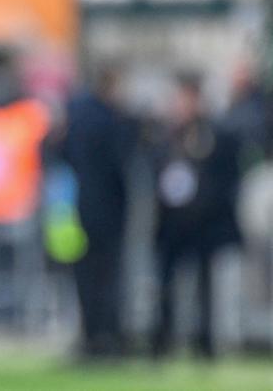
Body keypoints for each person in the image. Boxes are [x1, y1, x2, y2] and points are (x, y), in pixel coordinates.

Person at [150, 71, 241, 358]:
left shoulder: (211, 134)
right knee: (167, 283)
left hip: (202, 222)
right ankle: (164, 340)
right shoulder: (166, 134)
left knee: (204, 285)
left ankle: (205, 342)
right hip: (171, 221)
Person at [61, 67, 132, 357]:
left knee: (85, 277)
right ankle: (106, 336)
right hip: (107, 210)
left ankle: (90, 334)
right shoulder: (110, 121)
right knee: (107, 276)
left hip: (78, 208)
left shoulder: (76, 117)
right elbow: (119, 168)